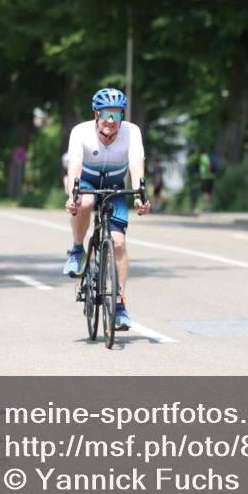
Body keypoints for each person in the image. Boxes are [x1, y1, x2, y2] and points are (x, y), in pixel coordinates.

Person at [63, 88, 151, 331]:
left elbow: (136, 165)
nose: (111, 121)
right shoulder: (80, 132)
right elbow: (74, 169)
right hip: (88, 182)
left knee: (119, 242)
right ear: (96, 114)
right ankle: (78, 251)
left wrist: (140, 196)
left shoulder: (132, 132)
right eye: (106, 114)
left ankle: (120, 306)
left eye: (116, 114)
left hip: (114, 185)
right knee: (86, 202)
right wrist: (73, 197)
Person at [198, 147, 214, 212]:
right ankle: (209, 207)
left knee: (205, 192)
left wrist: (208, 171)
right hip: (210, 177)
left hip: (205, 177)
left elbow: (208, 164)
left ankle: (206, 207)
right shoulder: (207, 156)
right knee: (209, 192)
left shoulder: (203, 157)